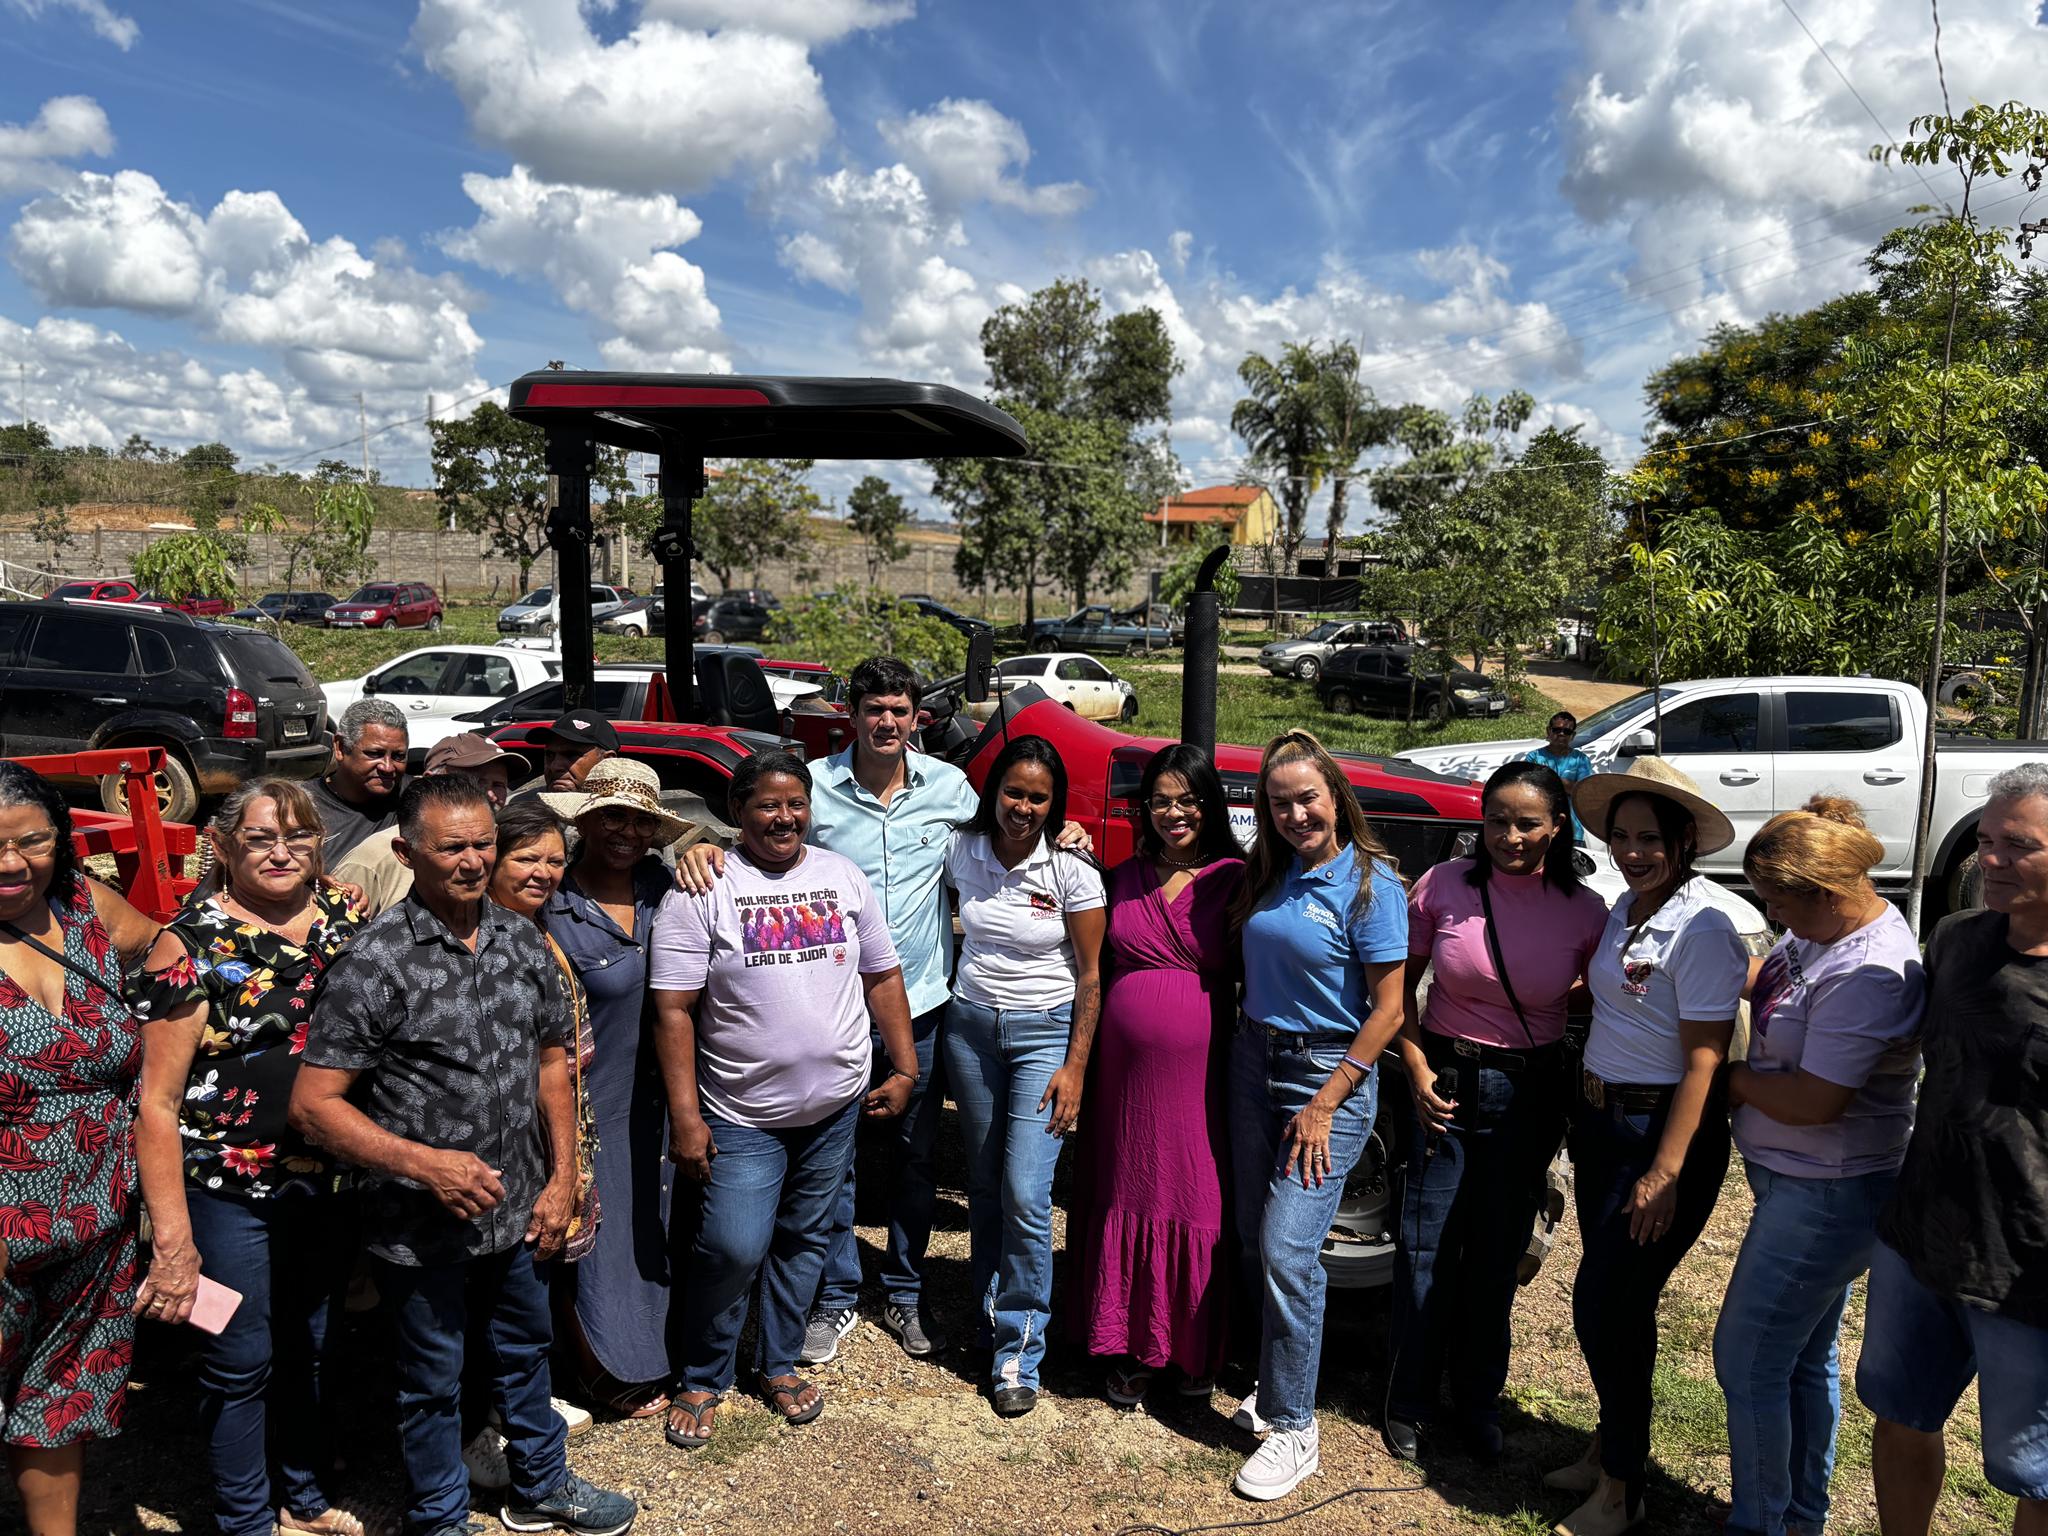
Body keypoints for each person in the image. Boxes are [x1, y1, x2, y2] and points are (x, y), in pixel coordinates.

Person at [677, 657, 1090, 1364]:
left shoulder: (950, 789)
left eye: (900, 710)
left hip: (919, 1006)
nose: (888, 722)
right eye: (874, 708)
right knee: (833, 1162)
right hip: (832, 1010)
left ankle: (903, 1287)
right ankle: (835, 1294)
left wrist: (1067, 831)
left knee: (914, 1156)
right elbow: (760, 835)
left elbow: (1010, 826)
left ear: (917, 717)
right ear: (852, 713)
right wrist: (700, 847)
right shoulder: (815, 787)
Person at [288, 776, 634, 1536]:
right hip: (421, 1221)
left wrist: (563, 1178)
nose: (473, 861)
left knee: (525, 1352)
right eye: (452, 848)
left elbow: (552, 1061)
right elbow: (314, 1105)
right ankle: (439, 1516)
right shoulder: (375, 961)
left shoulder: (520, 938)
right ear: (407, 852)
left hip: (521, 1205)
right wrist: (424, 1165)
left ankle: (542, 1483)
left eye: (483, 844)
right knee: (432, 1377)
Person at [650, 751, 917, 1449]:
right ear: (737, 811)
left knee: (804, 1238)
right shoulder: (703, 887)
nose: (784, 817)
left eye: (796, 803)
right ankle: (704, 1373)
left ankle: (777, 1360)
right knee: (733, 1245)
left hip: (834, 1107)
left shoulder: (841, 875)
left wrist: (905, 1066)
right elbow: (673, 1009)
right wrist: (685, 1116)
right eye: (767, 804)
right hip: (742, 1113)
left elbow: (882, 974)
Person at [131, 780, 371, 1536]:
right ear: (224, 845)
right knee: (238, 1355)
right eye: (261, 838)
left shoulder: (346, 916)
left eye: (298, 837)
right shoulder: (190, 944)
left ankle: (301, 1496)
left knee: (314, 1342)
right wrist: (173, 1237)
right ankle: (245, 1520)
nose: (281, 852)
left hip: (329, 1179)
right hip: (226, 1186)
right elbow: (157, 1103)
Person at [1712, 798, 1925, 1536]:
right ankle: (1799, 1516)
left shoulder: (1869, 973)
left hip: (1830, 1188)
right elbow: (1776, 980)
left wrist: (1727, 1078)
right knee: (1800, 1355)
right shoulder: (1823, 935)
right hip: (1802, 1180)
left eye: (1779, 903)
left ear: (1829, 893)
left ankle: (1762, 1522)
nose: (1773, 916)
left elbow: (1814, 1100)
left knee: (1746, 1359)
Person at [1547, 757, 1748, 1536]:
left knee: (1605, 1306)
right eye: (1622, 836)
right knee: (1621, 1307)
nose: (1632, 851)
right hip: (1603, 1127)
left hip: (1657, 1135)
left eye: (1650, 839)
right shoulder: (1627, 908)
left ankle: (1623, 1489)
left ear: (1684, 841)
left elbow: (1705, 1059)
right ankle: (1610, 1448)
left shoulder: (1703, 928)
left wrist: (1665, 1171)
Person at [1386, 760, 1608, 1464]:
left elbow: (1603, 994)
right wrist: (1415, 1067)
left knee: (1495, 1254)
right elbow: (1398, 988)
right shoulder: (1443, 885)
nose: (1510, 836)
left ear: (1557, 827)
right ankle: (1408, 1400)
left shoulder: (1585, 910)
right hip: (1443, 1080)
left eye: (1527, 823)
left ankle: (1477, 1401)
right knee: (1423, 1249)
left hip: (1527, 1095)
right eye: (1497, 821)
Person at [1856, 763, 2048, 1536]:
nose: (1989, 858)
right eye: (1988, 839)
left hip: (2029, 1268)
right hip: (1921, 1236)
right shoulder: (1957, 938)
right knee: (1902, 1416)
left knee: (2035, 1474)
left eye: (2018, 845)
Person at [1225, 730, 1408, 1501]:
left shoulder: (1371, 885)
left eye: (1307, 798)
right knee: (1253, 1237)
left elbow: (1389, 1009)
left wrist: (1327, 1101)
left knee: (1288, 1249)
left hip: (1325, 1074)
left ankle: (1296, 1427)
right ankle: (1275, 1386)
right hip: (1253, 1059)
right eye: (1279, 803)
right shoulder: (1273, 870)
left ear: (1336, 796)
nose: (1295, 814)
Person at [0, 762, 175, 1536]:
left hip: (95, 1221)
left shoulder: (85, 908)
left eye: (32, 841)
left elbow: (171, 956)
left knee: (58, 1397)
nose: (13, 864)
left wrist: (169, 1063)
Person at [1067, 743, 1244, 1407]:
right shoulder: (1121, 876)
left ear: (1209, 804)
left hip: (1201, 1074)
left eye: (1187, 800)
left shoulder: (1236, 878)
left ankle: (1192, 1347)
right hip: (1122, 1076)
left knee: (1195, 1197)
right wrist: (1069, 839)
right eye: (1161, 801)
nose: (1175, 813)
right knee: (1128, 1186)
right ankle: (1131, 1345)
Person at [942, 735, 1107, 1418]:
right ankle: (989, 1320)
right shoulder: (962, 849)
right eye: (1014, 792)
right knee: (985, 1185)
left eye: (1040, 798)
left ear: (1055, 803)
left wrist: (1076, 1066)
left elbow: (1092, 976)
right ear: (994, 793)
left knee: (1025, 1190)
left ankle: (1021, 1348)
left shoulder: (1071, 868)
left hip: (1044, 1032)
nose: (1025, 807)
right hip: (971, 1028)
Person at [537, 760, 692, 1417]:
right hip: (592, 1100)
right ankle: (598, 1366)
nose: (626, 832)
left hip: (669, 1095)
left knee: (655, 1228)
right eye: (611, 818)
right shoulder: (552, 902)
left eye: (641, 822)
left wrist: (707, 849)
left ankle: (658, 1350)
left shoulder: (669, 887)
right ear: (585, 821)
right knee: (595, 1234)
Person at [333, 734, 521, 916]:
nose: (490, 794)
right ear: (405, 853)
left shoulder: (511, 849)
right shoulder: (375, 858)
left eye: (498, 784)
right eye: (476, 782)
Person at [307, 700, 409, 862]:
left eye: (398, 756)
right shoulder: (301, 807)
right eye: (374, 754)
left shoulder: (415, 799)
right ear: (340, 747)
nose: (388, 767)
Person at [1520, 712, 1594, 842]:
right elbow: (1528, 788)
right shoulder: (1534, 757)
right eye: (1557, 730)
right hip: (1538, 829)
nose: (1561, 734)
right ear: (1548, 731)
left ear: (1572, 736)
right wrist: (1567, 785)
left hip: (1572, 832)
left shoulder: (1581, 760)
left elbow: (1583, 792)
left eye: (1567, 731)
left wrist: (1549, 778)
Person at [536, 714, 619, 795]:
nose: (555, 767)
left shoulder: (623, 803)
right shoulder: (531, 799)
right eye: (550, 755)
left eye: (571, 755)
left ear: (608, 761)